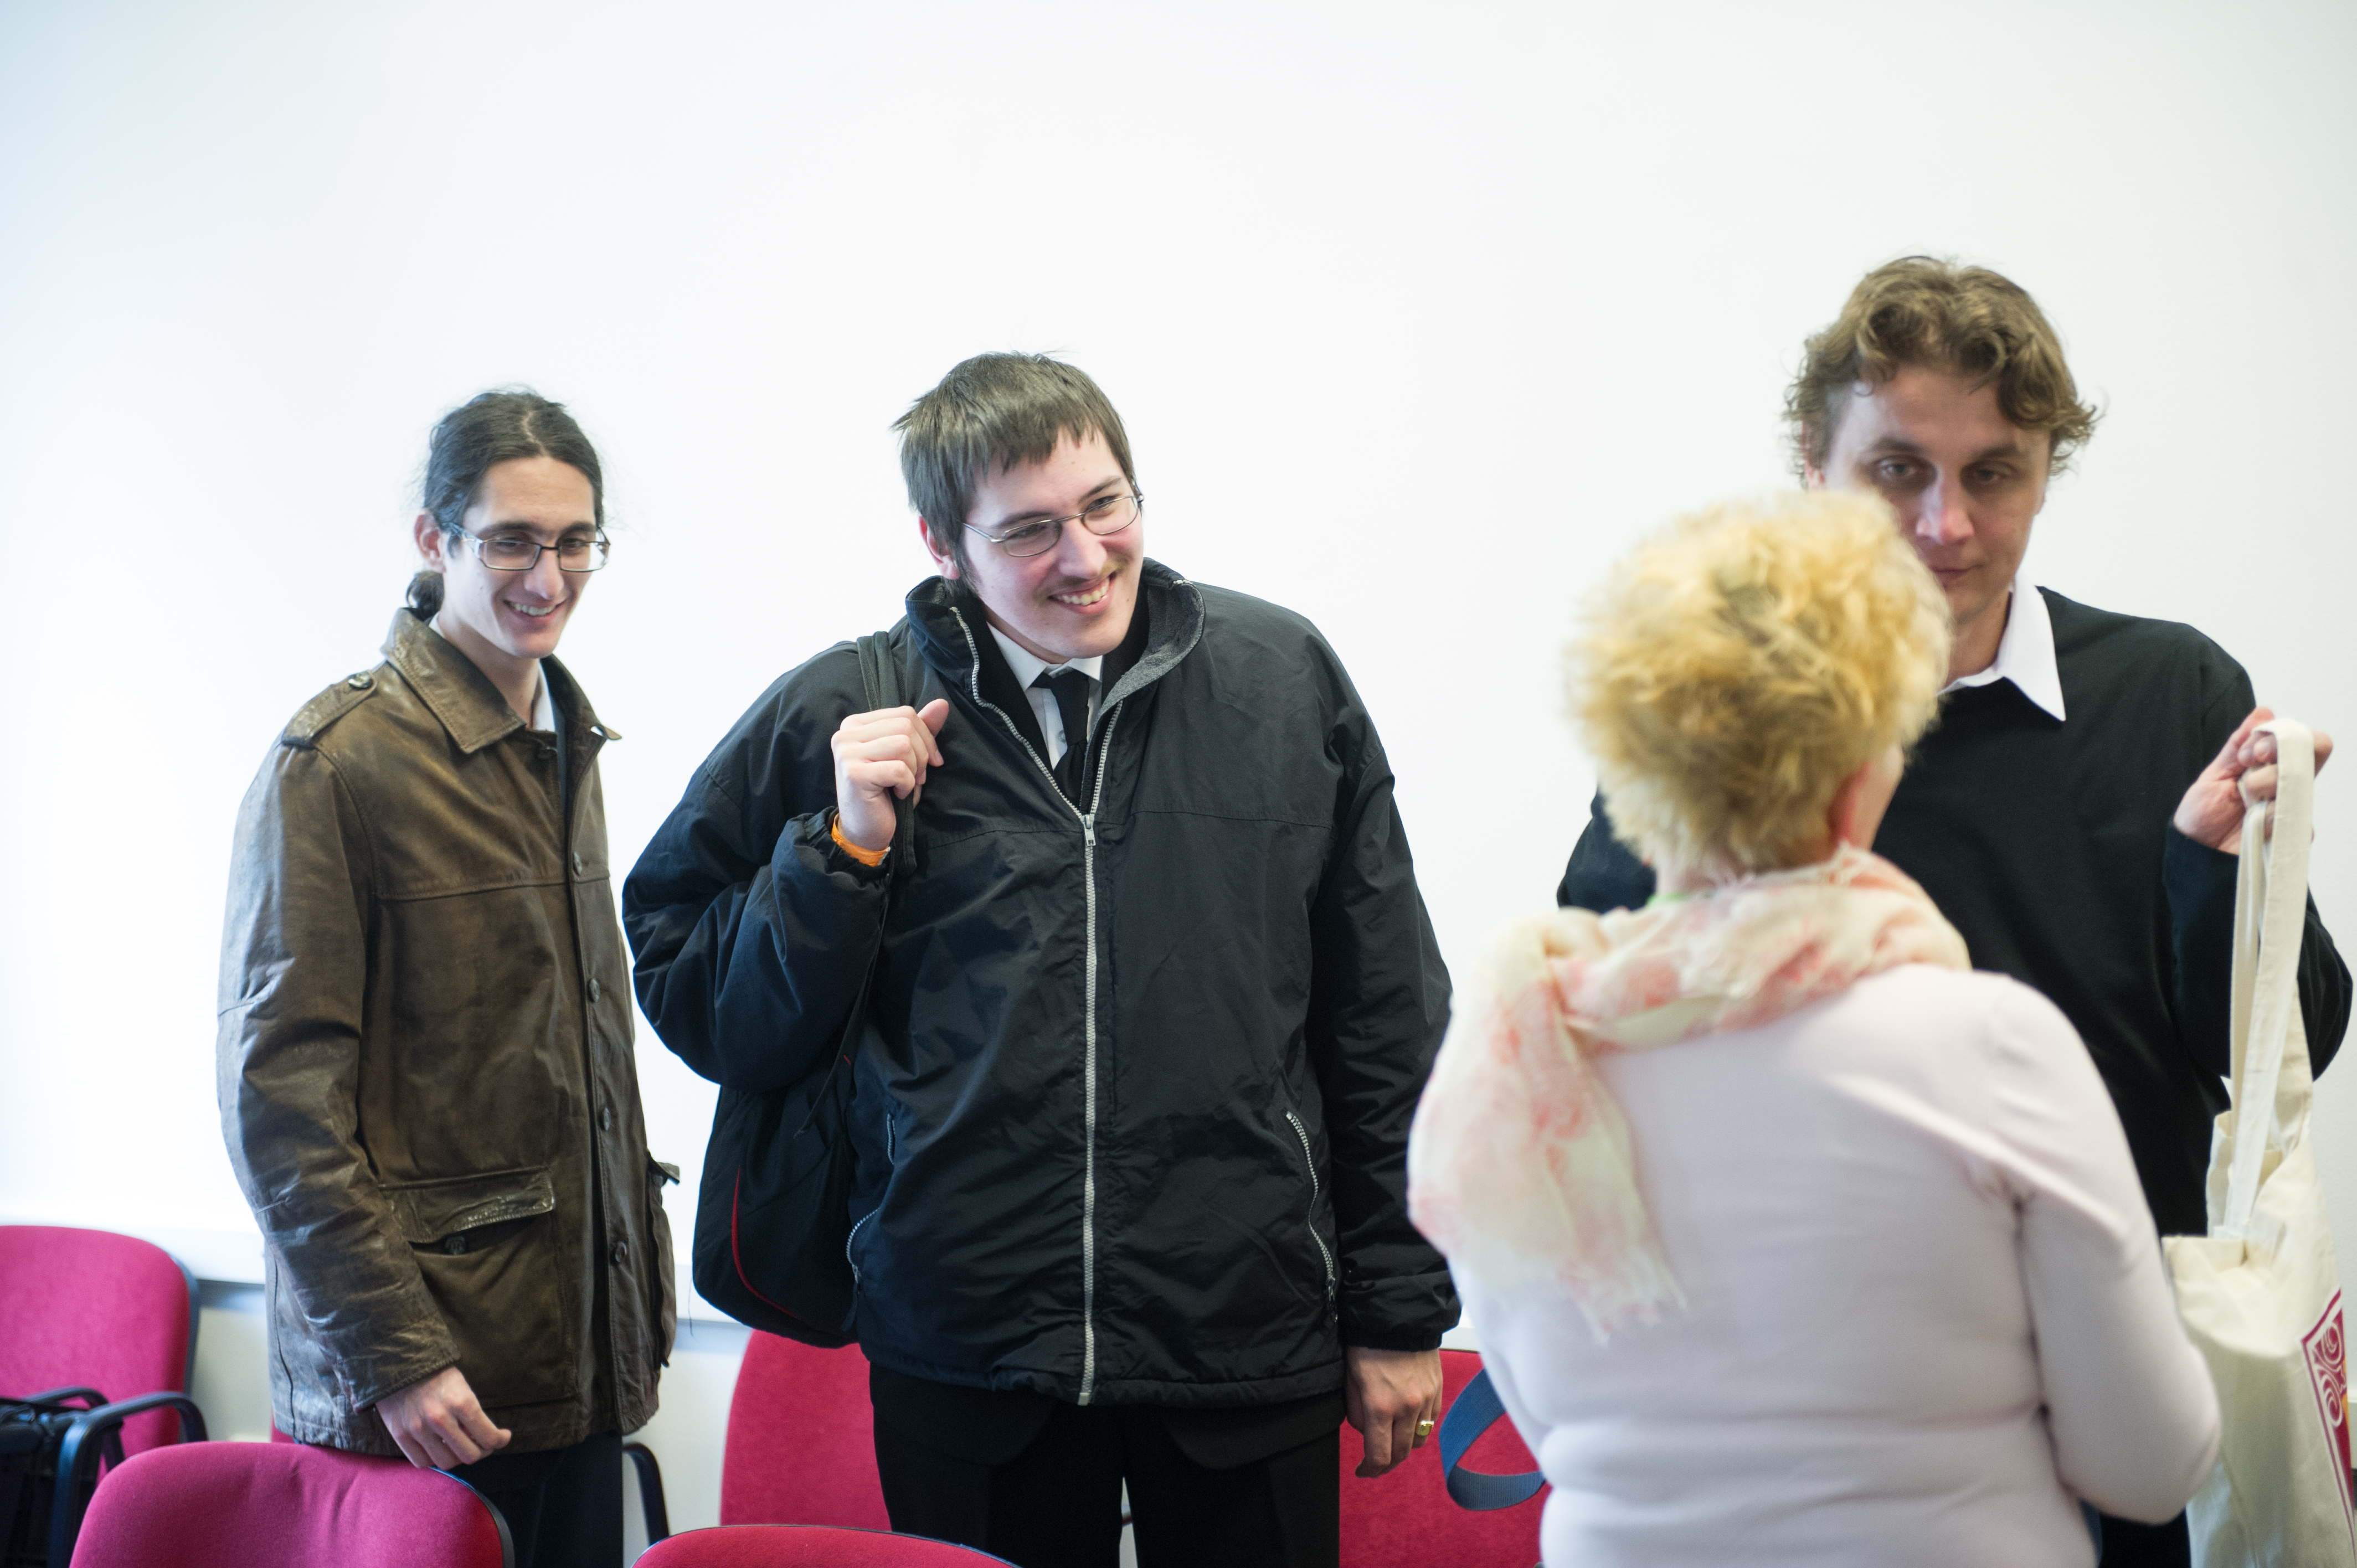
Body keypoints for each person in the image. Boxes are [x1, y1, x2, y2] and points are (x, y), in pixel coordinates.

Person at [1554, 258, 2346, 1563]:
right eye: (1897, 470)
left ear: (2042, 475)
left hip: (2120, 1375)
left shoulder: (2167, 690)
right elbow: (1605, 1029)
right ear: (1812, 466)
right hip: (1811, 1394)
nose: (1947, 526)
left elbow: (2274, 1052)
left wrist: (2212, 875)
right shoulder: (1714, 719)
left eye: (1993, 474)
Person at [625, 352, 1455, 1568]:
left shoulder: (1282, 681)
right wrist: (841, 853)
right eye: (1028, 531)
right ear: (942, 545)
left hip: (1246, 1329)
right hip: (968, 1351)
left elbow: (1386, 1014)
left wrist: (1399, 1309)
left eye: (1104, 505)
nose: (1085, 557)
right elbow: (700, 999)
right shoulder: (842, 709)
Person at [1412, 492, 2223, 1567]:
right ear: (1859, 778)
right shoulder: (1991, 1046)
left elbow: (1551, 1424)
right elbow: (2151, 1466)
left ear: (1629, 766)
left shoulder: (1514, 1060)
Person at [218, 391, 672, 1568]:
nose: (548, 577)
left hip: (570, 1366)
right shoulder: (337, 761)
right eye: (512, 541)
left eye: (575, 541)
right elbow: (279, 1101)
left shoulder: (564, 739)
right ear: (436, 539)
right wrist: (398, 1356)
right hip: (425, 1387)